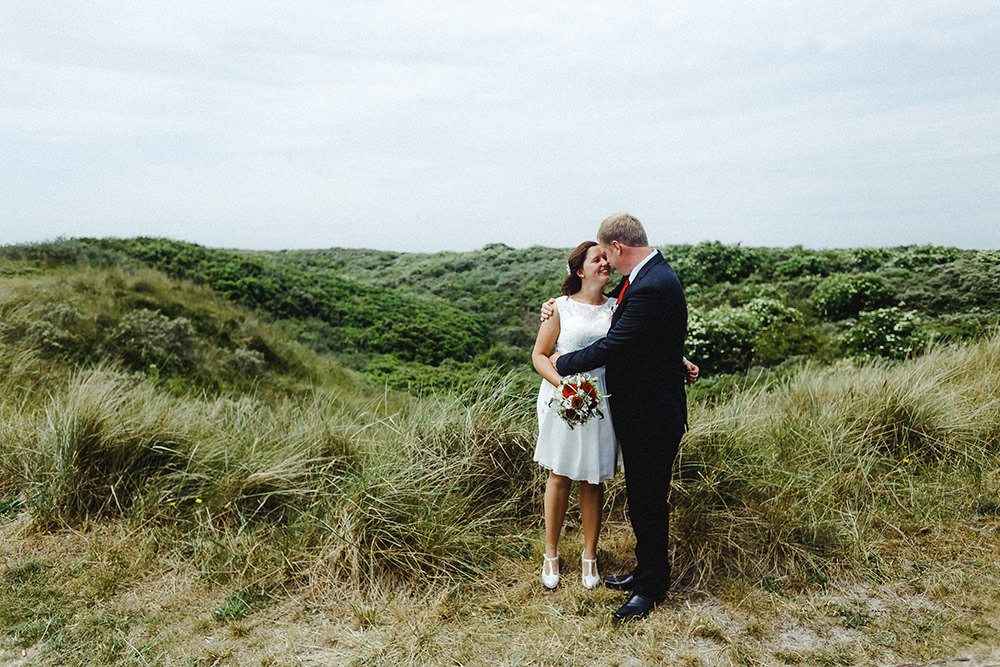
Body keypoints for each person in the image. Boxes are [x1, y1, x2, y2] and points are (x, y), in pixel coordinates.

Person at [547, 213, 691, 621]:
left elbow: (618, 343)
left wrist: (564, 361)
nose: (608, 263)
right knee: (642, 499)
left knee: (648, 502)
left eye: (608, 253)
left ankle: (651, 587)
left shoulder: (651, 284)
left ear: (619, 247)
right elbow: (651, 339)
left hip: (652, 414)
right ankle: (646, 571)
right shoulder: (647, 277)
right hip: (643, 409)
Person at [531, 241, 617, 591]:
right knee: (559, 474)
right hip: (562, 398)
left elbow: (645, 340)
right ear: (580, 271)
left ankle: (589, 555)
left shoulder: (617, 308)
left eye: (606, 258)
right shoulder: (559, 308)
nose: (604, 263)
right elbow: (539, 355)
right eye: (597, 259)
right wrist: (565, 387)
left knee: (593, 478)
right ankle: (551, 554)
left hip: (602, 397)